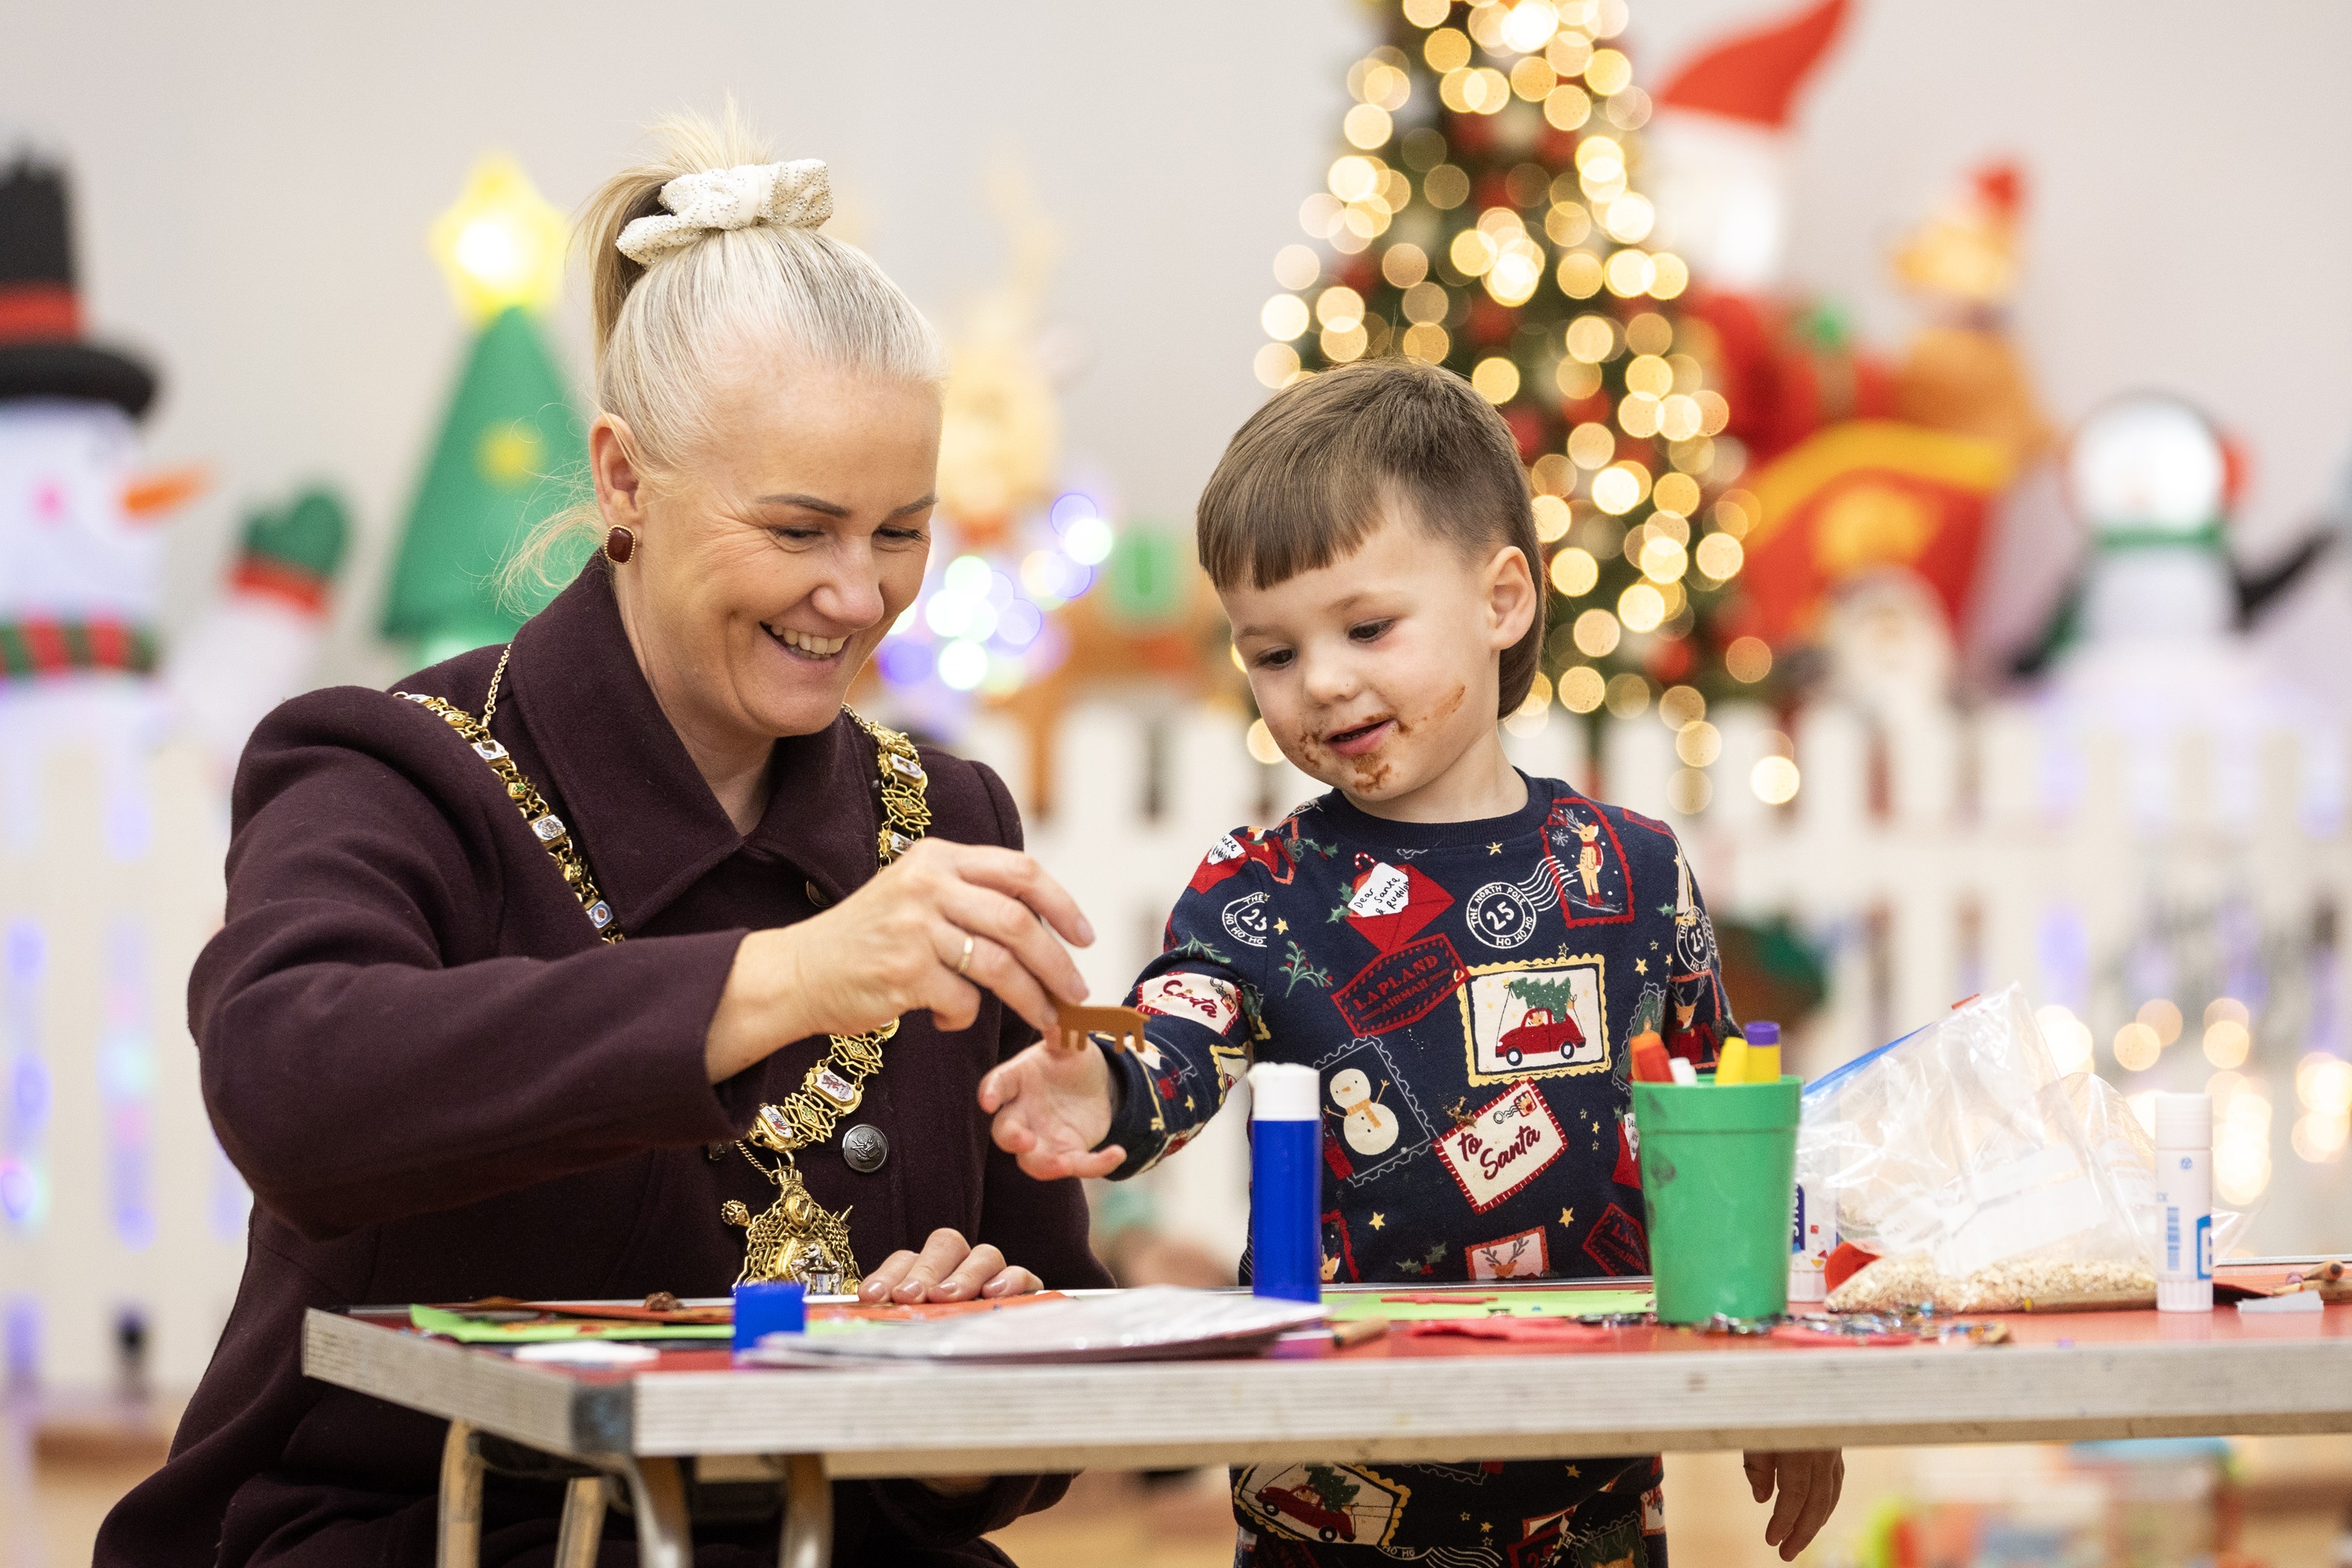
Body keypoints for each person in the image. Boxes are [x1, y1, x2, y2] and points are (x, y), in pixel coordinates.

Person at [97, 111, 1109, 1568]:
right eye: (799, 527)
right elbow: (292, 1083)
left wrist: (967, 1392)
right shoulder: (390, 768)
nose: (857, 593)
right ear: (625, 480)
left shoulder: (949, 824)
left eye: (901, 530)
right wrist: (791, 977)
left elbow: (1047, 1355)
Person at [983, 359, 1844, 1566]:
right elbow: (1178, 1030)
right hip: (1326, 1503)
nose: (1320, 682)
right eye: (1271, 653)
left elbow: (1726, 1150)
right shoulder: (1260, 892)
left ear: (1502, 601)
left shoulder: (1633, 876)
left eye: (1367, 627)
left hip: (1593, 1505)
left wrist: (1788, 1386)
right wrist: (1106, 1090)